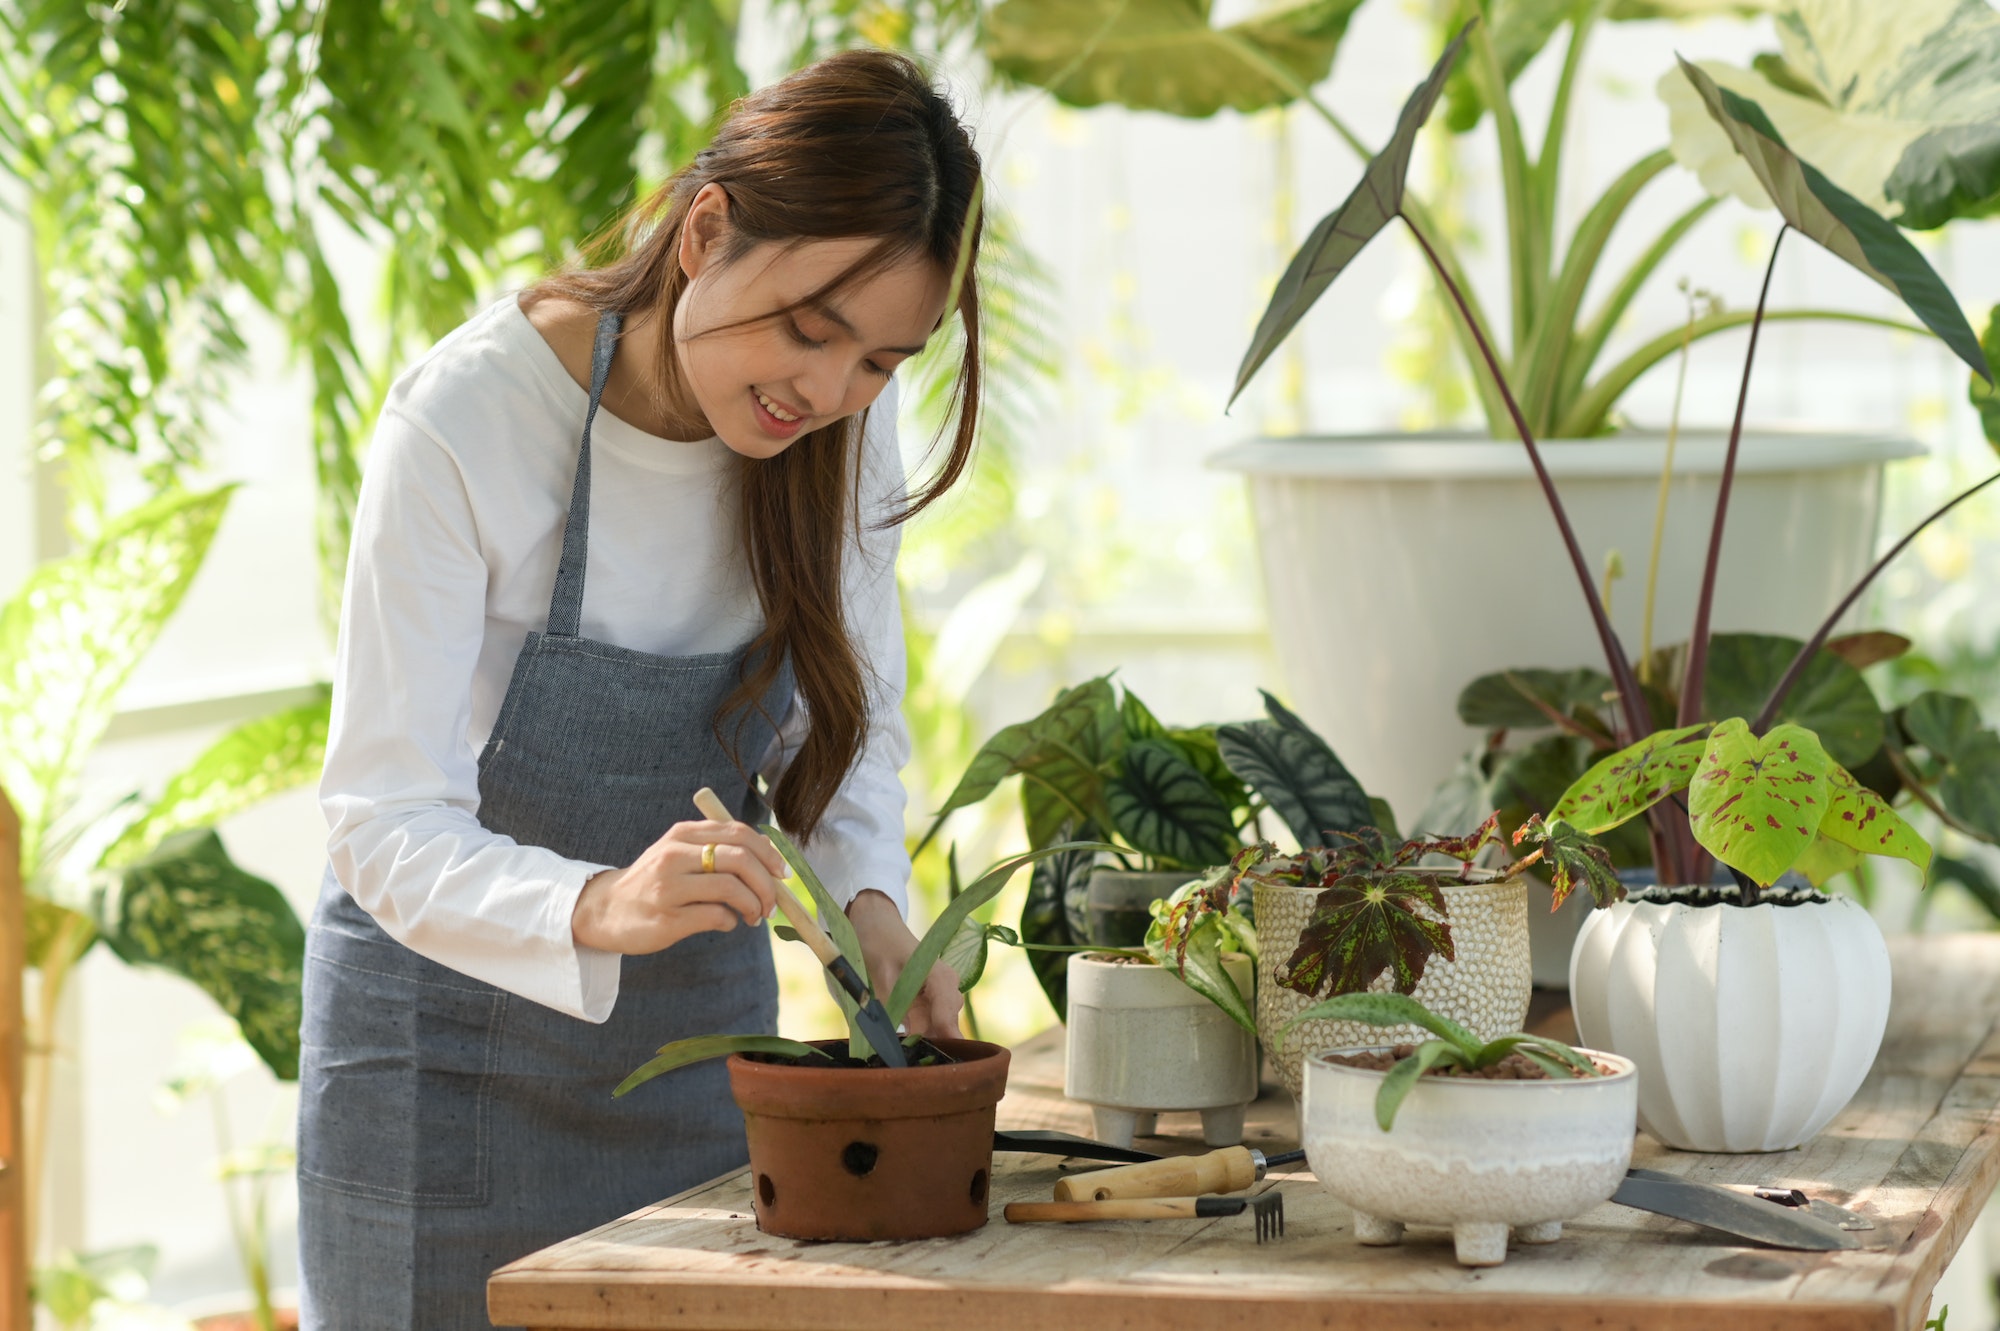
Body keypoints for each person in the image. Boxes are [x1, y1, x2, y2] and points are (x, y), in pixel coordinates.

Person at [298, 49, 983, 1329]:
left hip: (693, 1072)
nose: (827, 391)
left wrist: (875, 902)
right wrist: (604, 898)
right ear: (706, 230)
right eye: (808, 327)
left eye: (880, 363)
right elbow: (380, 816)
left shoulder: (831, 428)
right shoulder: (472, 418)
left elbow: (848, 724)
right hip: (435, 1074)